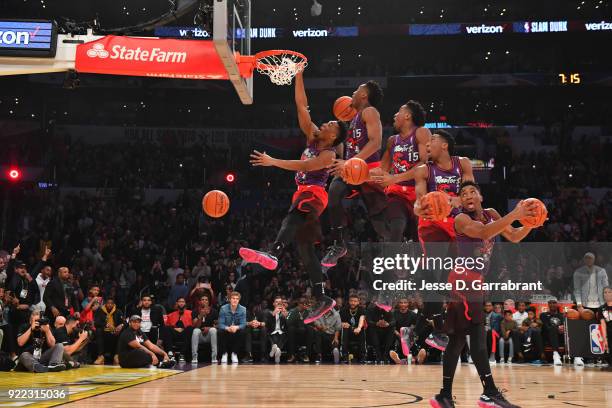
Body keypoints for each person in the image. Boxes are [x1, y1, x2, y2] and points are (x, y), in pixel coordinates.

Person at [239, 69, 347, 324]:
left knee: (295, 215)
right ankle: (323, 297)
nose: (324, 124)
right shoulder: (312, 137)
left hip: (314, 194)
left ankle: (274, 252)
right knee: (304, 248)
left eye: (330, 125)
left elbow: (306, 168)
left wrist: (272, 161)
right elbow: (301, 104)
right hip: (302, 193)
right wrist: (298, 74)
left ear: (334, 136)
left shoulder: (330, 154)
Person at [430, 181, 538, 408]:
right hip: (462, 280)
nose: (468, 195)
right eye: (463, 193)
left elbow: (515, 236)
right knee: (477, 334)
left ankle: (444, 396)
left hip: (474, 280)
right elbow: (483, 232)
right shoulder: (460, 218)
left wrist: (531, 222)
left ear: (480, 196)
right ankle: (488, 392)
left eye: (472, 192)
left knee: (458, 339)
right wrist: (516, 213)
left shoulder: (491, 214)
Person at [413, 130, 474, 352]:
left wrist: (448, 200)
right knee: (436, 273)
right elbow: (419, 200)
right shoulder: (423, 170)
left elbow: (472, 196)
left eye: (432, 141)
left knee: (447, 281)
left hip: (456, 224)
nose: (427, 145)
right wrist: (420, 206)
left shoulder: (463, 164)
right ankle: (437, 330)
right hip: (432, 225)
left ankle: (417, 327)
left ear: (445, 145)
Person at [323, 80, 387, 268]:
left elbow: (375, 143)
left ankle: (402, 245)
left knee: (379, 221)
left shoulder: (370, 112)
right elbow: (351, 147)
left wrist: (351, 162)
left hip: (368, 169)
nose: (353, 92)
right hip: (351, 170)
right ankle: (339, 244)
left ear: (364, 95)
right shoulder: (354, 118)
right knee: (334, 192)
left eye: (357, 90)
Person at [372, 101, 431, 243]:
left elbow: (425, 164)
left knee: (420, 238)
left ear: (407, 116)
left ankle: (420, 263)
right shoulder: (392, 140)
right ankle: (394, 263)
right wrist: (357, 172)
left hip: (419, 193)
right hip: (397, 193)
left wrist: (395, 178)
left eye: (398, 112)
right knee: (396, 228)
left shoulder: (421, 132)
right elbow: (382, 170)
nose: (395, 115)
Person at [217, 291, 246, 364]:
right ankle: (224, 354)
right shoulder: (223, 308)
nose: (235, 300)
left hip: (236, 331)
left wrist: (236, 327)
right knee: (220, 331)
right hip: (226, 331)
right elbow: (220, 324)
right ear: (229, 299)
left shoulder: (243, 309)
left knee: (242, 331)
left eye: (237, 299)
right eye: (233, 298)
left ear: (239, 300)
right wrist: (228, 328)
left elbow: (243, 324)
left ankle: (234, 353)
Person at [93, 297, 124, 365]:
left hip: (114, 332)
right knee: (98, 330)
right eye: (108, 303)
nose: (110, 305)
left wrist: (121, 325)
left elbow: (124, 322)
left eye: (111, 303)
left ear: (114, 304)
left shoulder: (118, 311)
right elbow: (96, 323)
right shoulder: (100, 311)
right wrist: (106, 325)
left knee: (122, 332)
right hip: (104, 332)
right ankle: (100, 357)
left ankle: (117, 356)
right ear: (105, 304)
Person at [162, 297, 193, 362]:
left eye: (183, 302)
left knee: (190, 328)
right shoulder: (171, 315)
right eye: (179, 301)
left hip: (185, 332)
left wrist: (183, 329)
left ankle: (182, 354)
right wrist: (175, 329)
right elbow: (168, 326)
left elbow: (192, 325)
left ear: (185, 304)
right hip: (174, 333)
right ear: (176, 303)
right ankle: (170, 353)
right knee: (166, 328)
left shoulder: (191, 313)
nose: (181, 303)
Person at [191, 294, 218, 363]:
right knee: (196, 330)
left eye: (206, 300)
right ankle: (194, 357)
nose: (204, 301)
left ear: (208, 302)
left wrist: (209, 328)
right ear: (199, 302)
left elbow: (217, 326)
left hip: (210, 335)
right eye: (202, 300)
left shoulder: (214, 311)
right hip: (200, 336)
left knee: (213, 330)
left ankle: (214, 357)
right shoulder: (195, 311)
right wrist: (200, 316)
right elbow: (195, 326)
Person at [339, 294, 366, 363]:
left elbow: (362, 319)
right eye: (351, 301)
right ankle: (344, 355)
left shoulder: (361, 309)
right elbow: (339, 322)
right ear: (348, 301)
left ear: (358, 302)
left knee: (362, 330)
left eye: (355, 301)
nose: (353, 303)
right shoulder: (344, 310)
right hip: (348, 329)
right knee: (345, 329)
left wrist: (359, 328)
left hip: (358, 329)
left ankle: (362, 356)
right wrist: (343, 324)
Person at [286, 297, 314, 363]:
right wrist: (298, 314)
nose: (305, 305)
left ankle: (306, 355)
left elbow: (312, 322)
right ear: (299, 304)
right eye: (303, 304)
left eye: (306, 304)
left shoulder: (308, 312)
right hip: (295, 331)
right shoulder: (292, 311)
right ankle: (292, 355)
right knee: (290, 329)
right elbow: (288, 322)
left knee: (310, 329)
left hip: (304, 331)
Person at [264, 296, 288, 364]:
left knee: (282, 335)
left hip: (281, 332)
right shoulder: (269, 312)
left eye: (280, 302)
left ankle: (273, 351)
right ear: (273, 304)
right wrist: (273, 314)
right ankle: (277, 351)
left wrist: (286, 316)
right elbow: (266, 324)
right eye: (276, 302)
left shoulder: (284, 312)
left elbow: (288, 325)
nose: (278, 303)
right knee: (274, 336)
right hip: (272, 332)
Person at [598, 287, 612, 370]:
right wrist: (605, 339)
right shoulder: (601, 308)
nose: (607, 294)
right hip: (609, 332)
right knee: (608, 355)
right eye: (605, 292)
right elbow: (603, 325)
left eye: (609, 292)